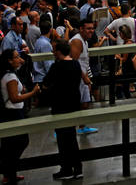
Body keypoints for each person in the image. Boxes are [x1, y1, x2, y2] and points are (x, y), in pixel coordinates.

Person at [0, 49, 40, 184]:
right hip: (13, 113)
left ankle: (9, 173)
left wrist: (20, 58)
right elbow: (15, 98)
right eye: (16, 57)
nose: (20, 59)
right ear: (9, 61)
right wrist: (33, 93)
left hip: (6, 112)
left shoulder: (4, 74)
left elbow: (22, 63)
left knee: (7, 144)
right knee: (21, 141)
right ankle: (11, 170)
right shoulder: (10, 77)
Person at [42, 40, 83, 180]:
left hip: (60, 105)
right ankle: (77, 168)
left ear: (58, 52)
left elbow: (46, 84)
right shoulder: (76, 64)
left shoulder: (57, 66)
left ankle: (66, 169)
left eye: (54, 50)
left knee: (62, 138)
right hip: (73, 104)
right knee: (71, 136)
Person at [70, 18, 105, 134]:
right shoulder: (77, 41)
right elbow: (73, 62)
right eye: (88, 29)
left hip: (82, 77)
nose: (91, 31)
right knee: (75, 105)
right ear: (81, 29)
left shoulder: (84, 41)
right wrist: (84, 77)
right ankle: (66, 128)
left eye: (92, 29)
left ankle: (82, 126)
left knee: (85, 102)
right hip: (76, 78)